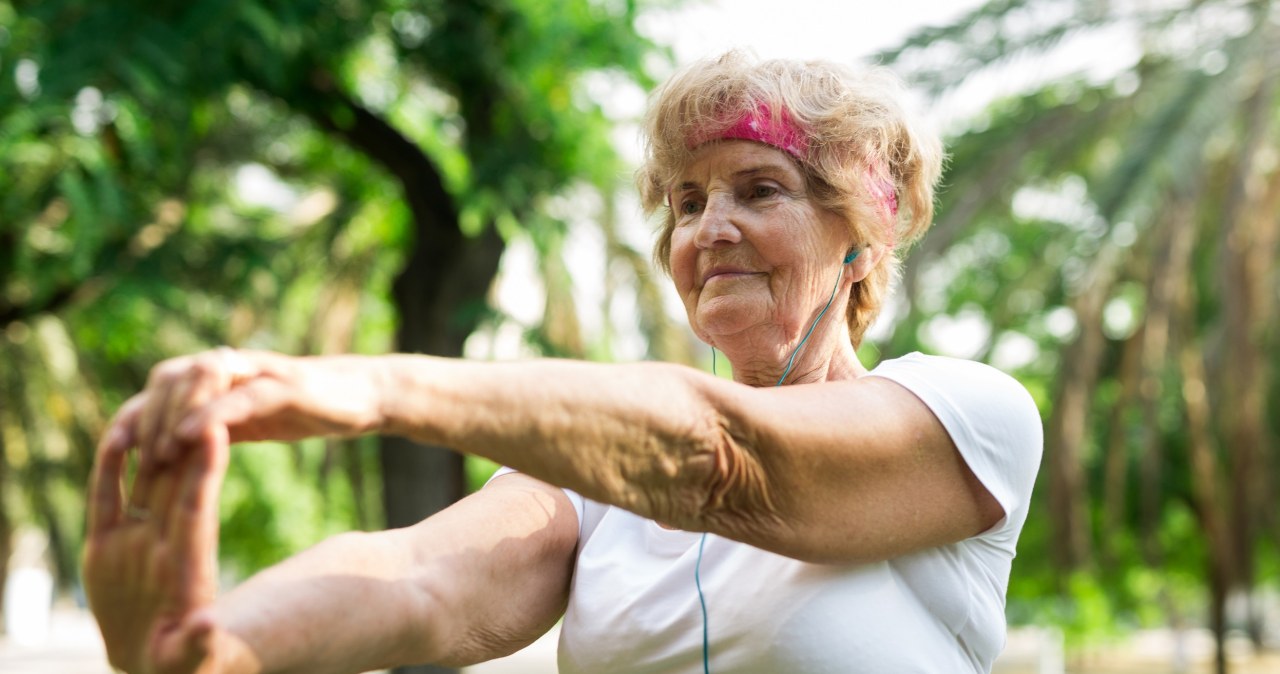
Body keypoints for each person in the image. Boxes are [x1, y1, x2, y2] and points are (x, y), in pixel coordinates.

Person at [83, 51, 1042, 674]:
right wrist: (215, 646)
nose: (711, 229)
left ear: (861, 242)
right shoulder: (595, 478)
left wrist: (373, 385)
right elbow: (422, 581)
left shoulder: (965, 413)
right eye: (685, 201)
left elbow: (721, 458)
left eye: (760, 190)